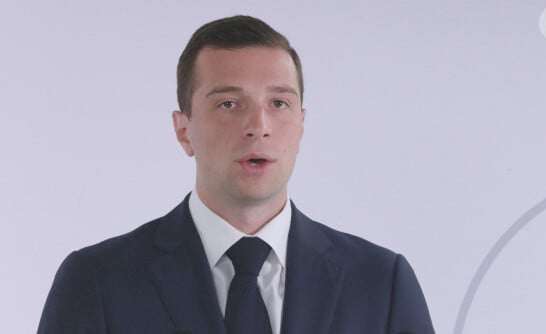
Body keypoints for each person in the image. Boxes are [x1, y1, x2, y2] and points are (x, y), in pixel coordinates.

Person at [38, 15, 434, 334]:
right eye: (229, 104)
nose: (258, 125)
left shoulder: (381, 285)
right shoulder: (98, 281)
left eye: (279, 103)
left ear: (300, 125)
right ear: (183, 130)